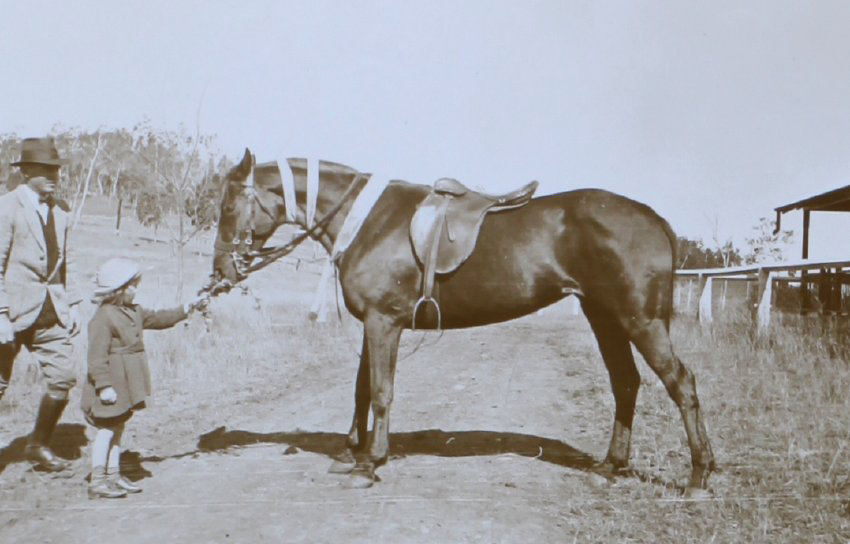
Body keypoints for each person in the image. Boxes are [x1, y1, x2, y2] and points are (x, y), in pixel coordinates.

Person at [81, 257, 209, 499]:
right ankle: (97, 480)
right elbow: (96, 358)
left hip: (127, 381)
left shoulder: (134, 311)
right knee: (106, 430)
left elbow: (160, 318)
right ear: (117, 289)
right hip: (111, 383)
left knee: (118, 427)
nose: (136, 289)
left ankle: (113, 474)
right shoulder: (103, 317)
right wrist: (104, 386)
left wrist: (187, 308)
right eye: (132, 286)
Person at [0, 137, 82, 473]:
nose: (53, 176)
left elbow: (66, 263)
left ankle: (37, 445)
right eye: (45, 170)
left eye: (56, 170)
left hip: (50, 312)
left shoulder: (61, 211)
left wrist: (72, 304)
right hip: (11, 312)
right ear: (26, 171)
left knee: (63, 378)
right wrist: (1, 315)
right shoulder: (7, 207)